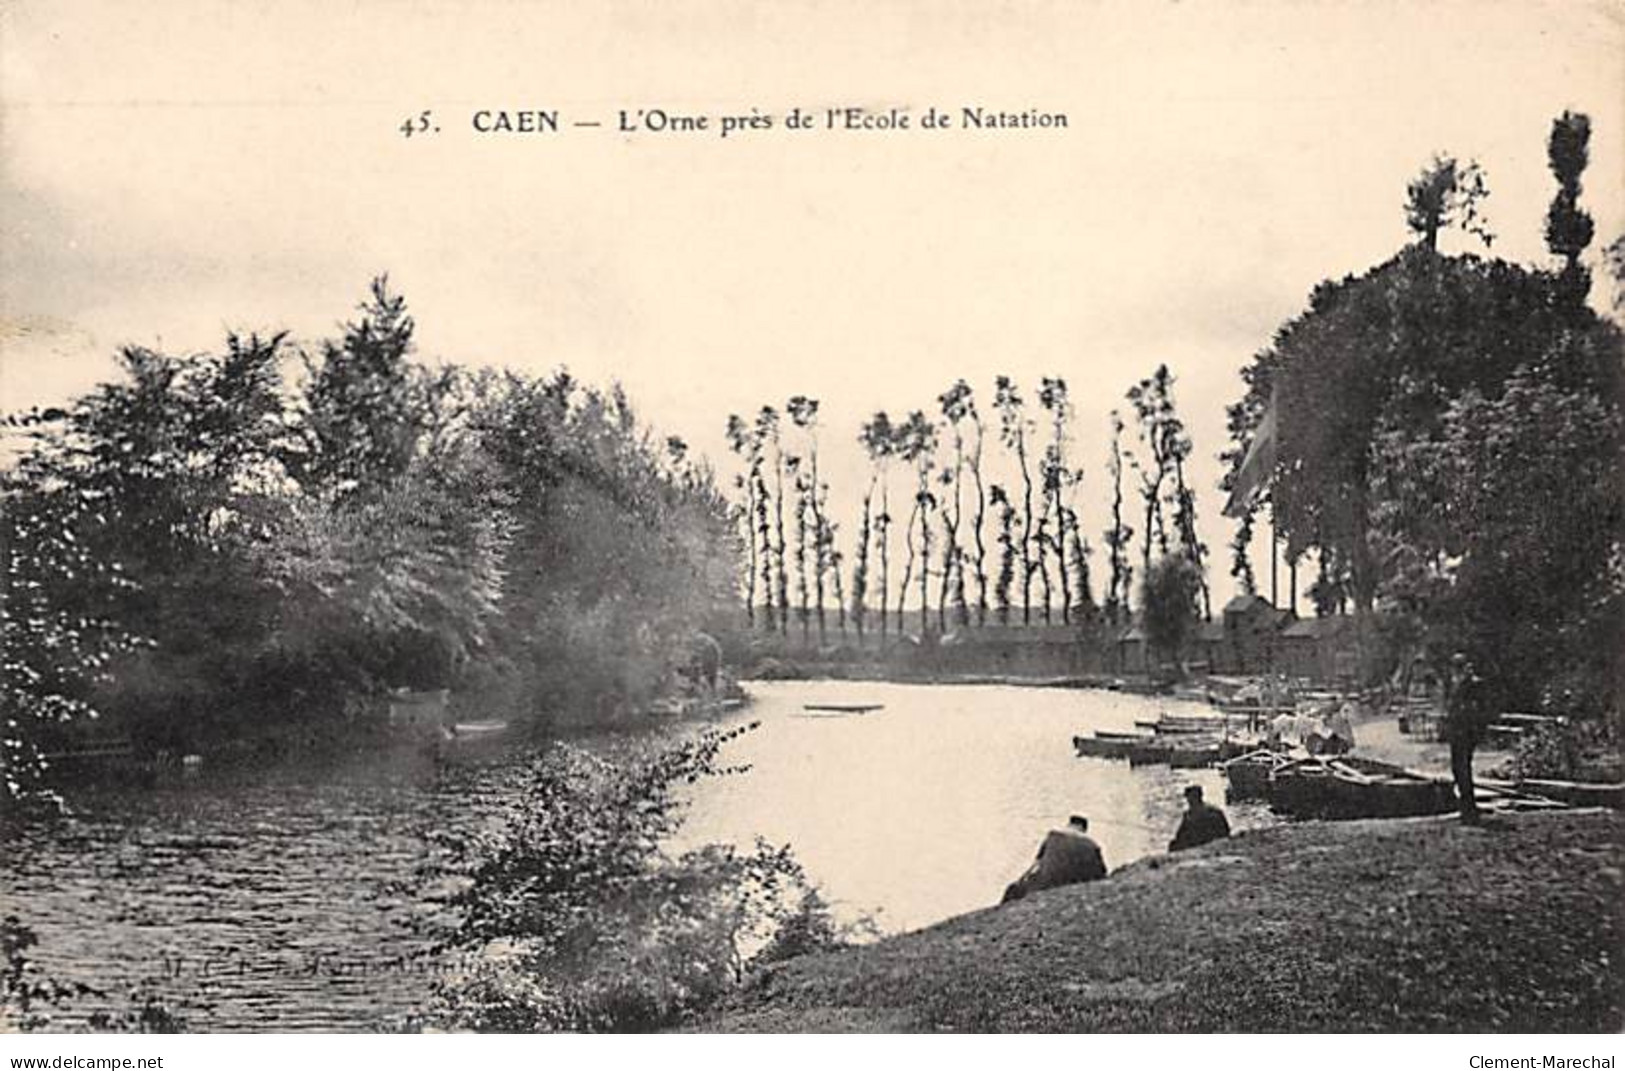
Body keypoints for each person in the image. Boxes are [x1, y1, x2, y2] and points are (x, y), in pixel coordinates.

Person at [1001, 815, 1107, 903]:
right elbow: (1101, 872)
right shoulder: (1092, 845)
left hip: (1046, 882)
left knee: (1014, 890)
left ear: (1069, 824)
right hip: (1073, 882)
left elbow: (1037, 862)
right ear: (1084, 829)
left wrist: (1022, 880)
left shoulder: (1053, 835)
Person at [1169, 785, 1231, 852]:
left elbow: (1224, 830)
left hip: (1204, 841)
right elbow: (1180, 834)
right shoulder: (1189, 815)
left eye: (1191, 798)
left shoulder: (1211, 813)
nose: (1189, 801)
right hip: (1201, 841)